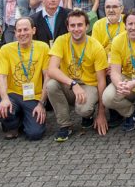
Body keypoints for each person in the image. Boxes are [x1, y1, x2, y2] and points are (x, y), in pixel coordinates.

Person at [44, 9, 109, 141]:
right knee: (51, 85)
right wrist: (73, 84)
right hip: (70, 83)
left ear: (87, 26)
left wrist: (101, 113)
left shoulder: (96, 47)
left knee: (83, 110)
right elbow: (51, 69)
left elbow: (102, 81)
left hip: (89, 85)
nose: (76, 29)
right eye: (72, 25)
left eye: (80, 25)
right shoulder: (61, 41)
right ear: (67, 27)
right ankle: (65, 125)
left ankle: (88, 115)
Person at [0, 17, 49, 140]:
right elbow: (1, 77)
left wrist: (41, 104)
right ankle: (12, 125)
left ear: (33, 30)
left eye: (25, 30)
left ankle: (25, 119)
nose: (22, 33)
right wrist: (4, 99)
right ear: (15, 33)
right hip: (13, 95)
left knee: (35, 134)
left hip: (33, 96)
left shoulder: (43, 48)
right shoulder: (6, 50)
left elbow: (47, 77)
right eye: (19, 30)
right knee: (3, 111)